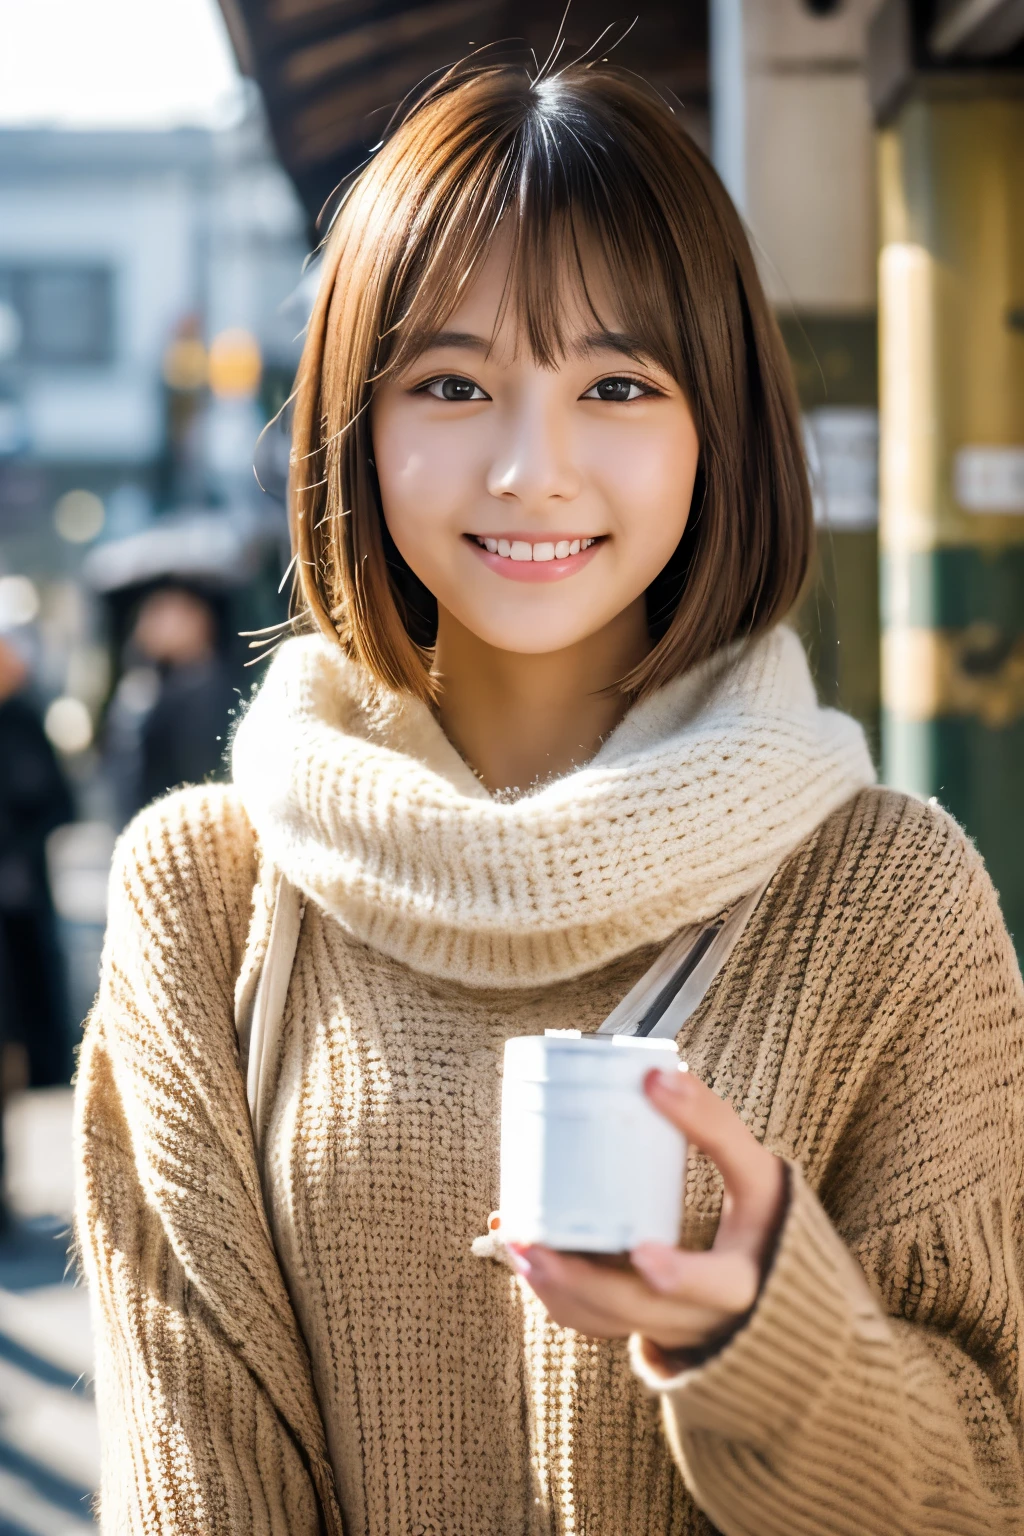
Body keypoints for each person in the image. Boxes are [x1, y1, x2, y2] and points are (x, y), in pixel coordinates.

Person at [73, 61, 1024, 1536]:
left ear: (721, 425)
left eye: (619, 386)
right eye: (452, 385)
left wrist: (764, 1344)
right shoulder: (206, 900)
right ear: (354, 421)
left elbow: (988, 1488)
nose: (532, 467)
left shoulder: (892, 900)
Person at [0, 635, 74, 1093]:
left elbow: (58, 802)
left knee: (32, 977)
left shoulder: (25, 720)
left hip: (22, 880)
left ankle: (43, 1062)